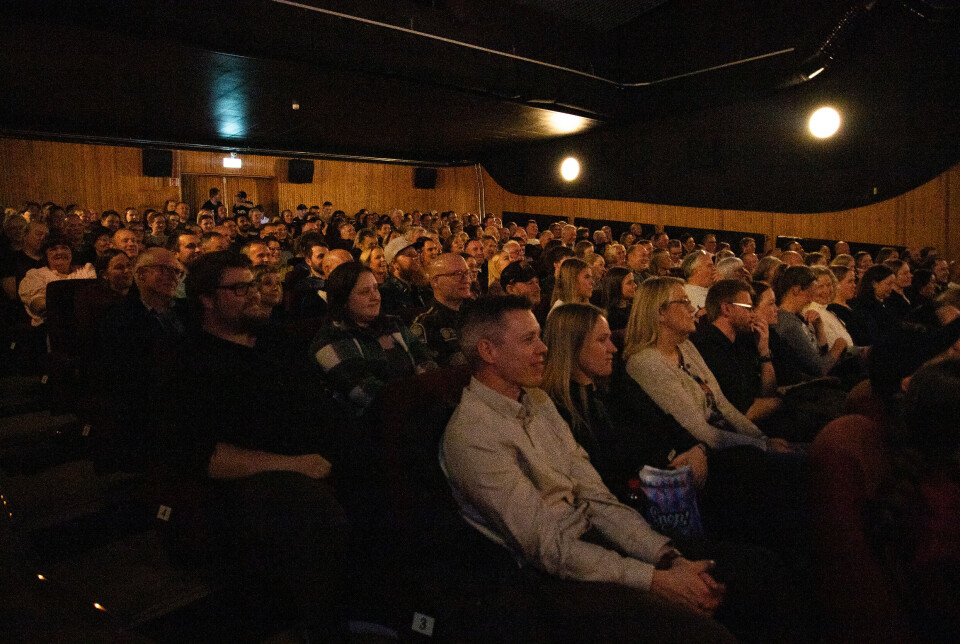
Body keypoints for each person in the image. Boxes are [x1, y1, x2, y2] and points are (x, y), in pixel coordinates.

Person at [440, 295, 734, 641]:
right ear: (488, 351)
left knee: (747, 573)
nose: (544, 348)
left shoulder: (537, 400)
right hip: (549, 582)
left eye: (539, 335)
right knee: (706, 633)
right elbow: (547, 547)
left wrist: (667, 557)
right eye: (528, 339)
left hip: (597, 545)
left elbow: (596, 496)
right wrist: (655, 580)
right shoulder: (472, 435)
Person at [159, 251, 348, 637]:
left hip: (312, 455)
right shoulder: (185, 361)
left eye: (254, 284)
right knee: (314, 511)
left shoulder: (275, 340)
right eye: (240, 288)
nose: (255, 294)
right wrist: (296, 465)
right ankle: (324, 628)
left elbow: (318, 407)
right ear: (207, 299)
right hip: (248, 480)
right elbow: (204, 455)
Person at [622, 276, 786, 452]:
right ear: (661, 312)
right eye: (684, 302)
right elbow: (699, 430)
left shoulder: (685, 347)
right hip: (705, 454)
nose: (692, 308)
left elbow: (723, 404)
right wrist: (762, 446)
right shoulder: (646, 362)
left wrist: (761, 438)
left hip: (732, 442)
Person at [310, 262, 435, 417]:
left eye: (376, 288)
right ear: (343, 300)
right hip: (370, 425)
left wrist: (431, 389)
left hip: (418, 410)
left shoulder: (392, 324)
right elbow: (365, 392)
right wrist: (421, 396)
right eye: (364, 292)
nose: (375, 297)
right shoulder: (331, 339)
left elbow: (424, 361)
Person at [18, 235, 97, 327]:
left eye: (65, 248)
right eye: (53, 249)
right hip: (51, 328)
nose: (59, 252)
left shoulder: (86, 271)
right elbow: (37, 304)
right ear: (46, 255)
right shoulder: (36, 275)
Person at [410, 253, 472, 366]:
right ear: (435, 281)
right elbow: (432, 372)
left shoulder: (478, 311)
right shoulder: (427, 323)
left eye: (467, 273)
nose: (466, 279)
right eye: (457, 274)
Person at [849, 264, 897, 345]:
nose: (892, 287)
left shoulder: (888, 302)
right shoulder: (864, 307)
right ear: (874, 284)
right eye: (889, 284)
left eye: (893, 284)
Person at [599, 266, 635, 332]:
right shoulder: (609, 316)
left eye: (633, 282)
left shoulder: (634, 309)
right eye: (629, 283)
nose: (635, 285)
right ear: (616, 286)